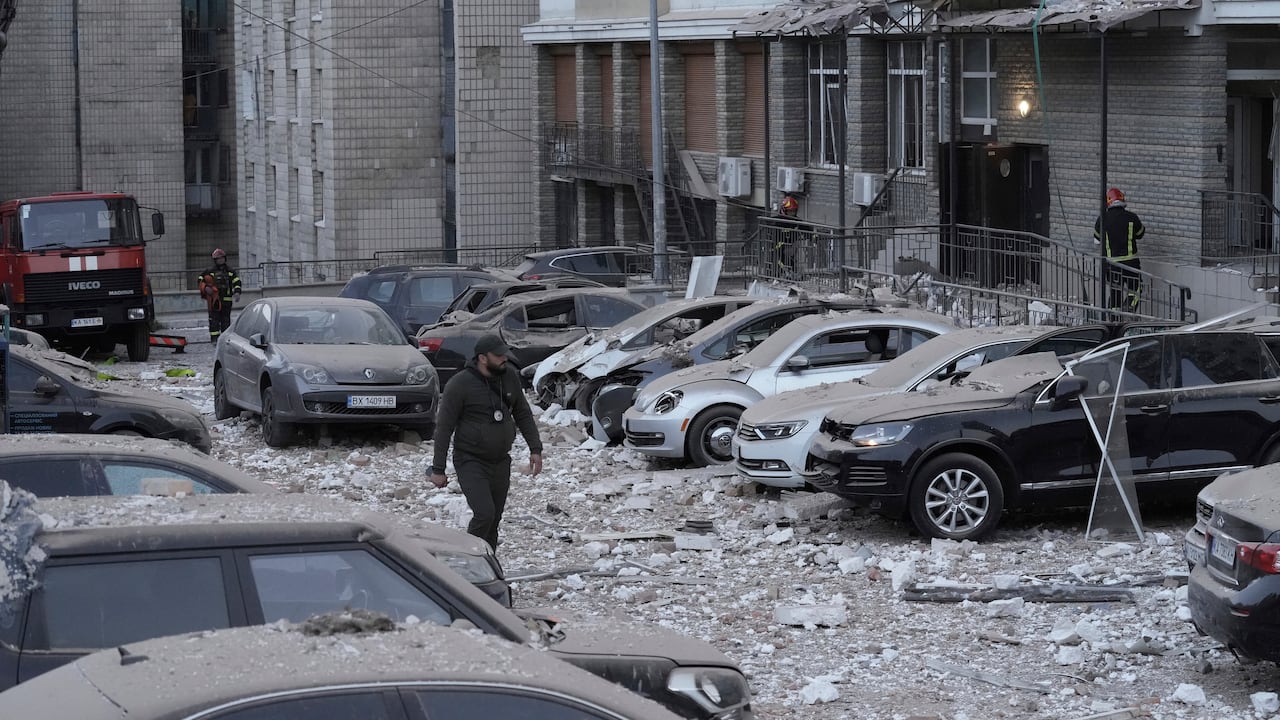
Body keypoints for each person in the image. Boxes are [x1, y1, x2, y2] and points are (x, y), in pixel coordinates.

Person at [428, 334, 543, 551]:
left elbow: (523, 413)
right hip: (470, 460)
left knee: (495, 519)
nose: (504, 359)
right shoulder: (459, 384)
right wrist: (438, 469)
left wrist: (535, 448)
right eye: (498, 355)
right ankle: (467, 558)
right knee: (484, 514)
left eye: (505, 354)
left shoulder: (509, 377)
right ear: (482, 358)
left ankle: (487, 564)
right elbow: (444, 428)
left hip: (501, 461)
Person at [1094, 187, 1145, 313]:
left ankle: (1113, 318)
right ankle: (1129, 307)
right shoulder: (1132, 217)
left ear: (1108, 202)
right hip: (1130, 263)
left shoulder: (1103, 219)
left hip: (1111, 264)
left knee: (1115, 290)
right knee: (1136, 288)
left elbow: (1096, 240)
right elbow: (1141, 233)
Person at [197, 248, 242, 341]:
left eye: (222, 258)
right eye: (218, 258)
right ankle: (214, 339)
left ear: (225, 258)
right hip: (214, 300)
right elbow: (200, 280)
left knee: (226, 321)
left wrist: (237, 292)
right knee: (214, 320)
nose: (221, 260)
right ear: (215, 260)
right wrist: (205, 288)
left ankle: (225, 339)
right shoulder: (209, 271)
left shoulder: (230, 271)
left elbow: (237, 282)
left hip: (227, 301)